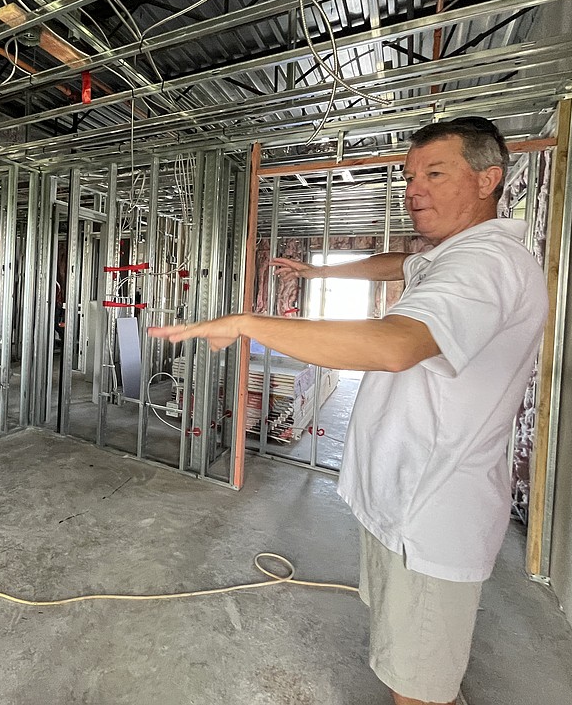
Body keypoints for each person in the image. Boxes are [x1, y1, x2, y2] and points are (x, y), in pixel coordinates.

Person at [149, 117, 548, 705]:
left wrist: (247, 323)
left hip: (431, 513)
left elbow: (393, 345)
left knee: (417, 684)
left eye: (436, 174)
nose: (415, 190)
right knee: (409, 661)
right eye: (410, 176)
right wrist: (318, 271)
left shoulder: (485, 265)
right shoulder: (453, 254)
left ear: (488, 179)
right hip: (408, 501)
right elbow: (398, 263)